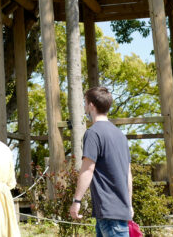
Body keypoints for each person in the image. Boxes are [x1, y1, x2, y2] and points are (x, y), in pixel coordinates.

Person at [69, 86, 134, 237]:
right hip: (117, 212)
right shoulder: (120, 135)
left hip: (108, 213)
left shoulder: (93, 133)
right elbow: (128, 174)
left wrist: (76, 201)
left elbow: (87, 170)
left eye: (85, 102)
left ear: (91, 105)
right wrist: (128, 204)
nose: (84, 106)